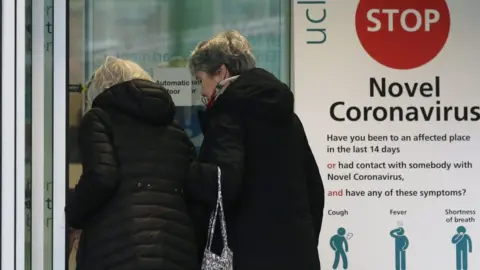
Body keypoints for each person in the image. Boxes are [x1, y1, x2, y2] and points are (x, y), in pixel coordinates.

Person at [186, 30, 324, 270]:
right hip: (298, 256)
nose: (201, 91)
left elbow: (223, 184)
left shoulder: (228, 117)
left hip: (248, 255)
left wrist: (186, 170)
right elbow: (315, 189)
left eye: (200, 80)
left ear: (220, 72)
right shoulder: (288, 118)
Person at [65, 56, 198, 270]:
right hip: (177, 250)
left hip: (120, 247)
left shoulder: (100, 119)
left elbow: (101, 178)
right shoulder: (174, 129)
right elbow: (192, 186)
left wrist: (73, 212)